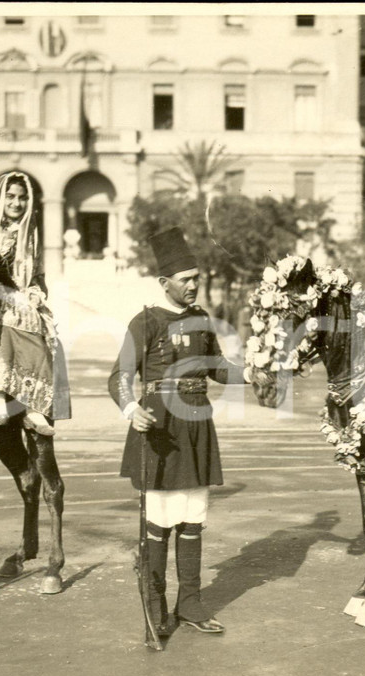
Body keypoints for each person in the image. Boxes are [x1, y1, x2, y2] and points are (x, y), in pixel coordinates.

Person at [108, 227, 247, 636]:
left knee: (192, 517)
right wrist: (132, 409)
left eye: (196, 277)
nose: (193, 285)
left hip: (196, 425)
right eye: (186, 279)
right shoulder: (145, 320)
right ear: (164, 283)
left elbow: (217, 367)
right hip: (159, 429)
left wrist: (250, 373)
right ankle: (155, 602)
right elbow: (119, 376)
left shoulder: (203, 319)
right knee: (161, 517)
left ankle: (190, 603)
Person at [0, 171, 71, 435]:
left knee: (37, 321)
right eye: (11, 197)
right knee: (3, 318)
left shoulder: (29, 229)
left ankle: (34, 406)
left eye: (22, 198)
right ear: (0, 197)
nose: (16, 203)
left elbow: (36, 274)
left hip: (16, 293)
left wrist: (35, 293)